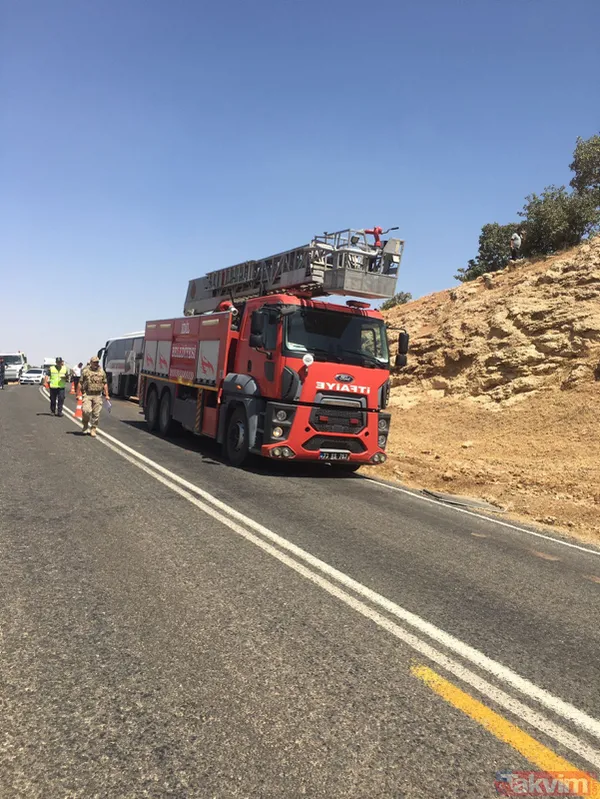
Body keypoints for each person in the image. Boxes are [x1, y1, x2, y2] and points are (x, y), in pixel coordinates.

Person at [80, 355, 109, 437]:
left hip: (97, 395)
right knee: (86, 411)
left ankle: (93, 428)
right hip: (88, 394)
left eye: (97, 362)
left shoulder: (101, 372)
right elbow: (80, 382)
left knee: (96, 414)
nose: (96, 364)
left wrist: (107, 395)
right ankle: (85, 425)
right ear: (91, 362)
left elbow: (105, 383)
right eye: (94, 362)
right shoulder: (85, 371)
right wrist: (78, 393)